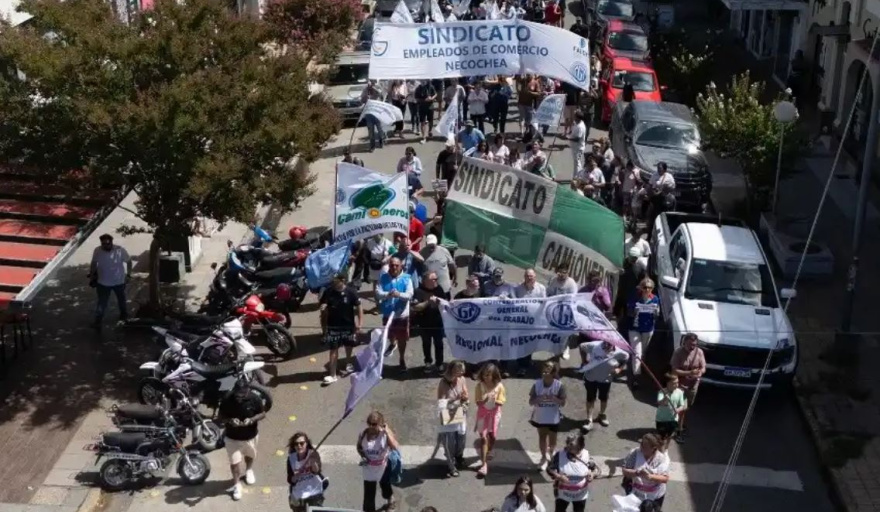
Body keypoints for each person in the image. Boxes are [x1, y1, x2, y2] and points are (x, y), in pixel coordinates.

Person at [219, 381, 267, 501]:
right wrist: (230, 421)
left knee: (250, 456)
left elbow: (262, 414)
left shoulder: (255, 398)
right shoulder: (227, 399)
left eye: (242, 395)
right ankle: (236, 485)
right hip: (232, 437)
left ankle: (249, 470)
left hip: (250, 436)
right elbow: (220, 417)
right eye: (237, 395)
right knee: (235, 463)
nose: (239, 398)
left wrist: (252, 419)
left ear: (247, 392)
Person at [319, 273, 363, 384]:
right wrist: (323, 307)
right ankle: (333, 375)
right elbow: (323, 305)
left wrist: (360, 324)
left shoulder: (351, 292)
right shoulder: (328, 291)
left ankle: (348, 362)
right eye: (332, 281)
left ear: (342, 280)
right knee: (333, 349)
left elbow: (359, 307)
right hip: (333, 326)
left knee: (348, 345)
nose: (333, 283)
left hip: (348, 325)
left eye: (335, 281)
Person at [579, 340, 628, 432]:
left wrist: (619, 369)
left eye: (609, 347)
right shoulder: (593, 345)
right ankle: (589, 420)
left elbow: (626, 358)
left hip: (606, 380)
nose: (606, 348)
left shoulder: (620, 352)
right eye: (604, 345)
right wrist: (584, 361)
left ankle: (602, 415)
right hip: (590, 377)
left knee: (604, 398)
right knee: (590, 398)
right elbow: (581, 346)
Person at [376, 257, 414, 371]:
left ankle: (402, 358)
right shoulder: (383, 278)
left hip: (401, 315)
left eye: (396, 265)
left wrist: (399, 294)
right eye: (392, 265)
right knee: (390, 334)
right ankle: (392, 343)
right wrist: (388, 294)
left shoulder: (407, 279)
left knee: (402, 338)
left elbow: (409, 294)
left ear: (401, 266)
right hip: (388, 313)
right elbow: (378, 293)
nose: (394, 267)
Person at [358, 411, 400, 512]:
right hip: (369, 468)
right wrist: (363, 456)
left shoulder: (384, 435)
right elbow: (359, 447)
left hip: (383, 466)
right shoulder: (363, 434)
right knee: (368, 495)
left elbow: (395, 446)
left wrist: (386, 431)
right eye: (369, 423)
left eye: (374, 424)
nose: (371, 426)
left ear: (380, 423)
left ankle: (390, 500)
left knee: (385, 487)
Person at [89, 233, 132, 328]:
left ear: (111, 242)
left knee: (121, 300)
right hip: (102, 283)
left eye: (108, 244)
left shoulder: (120, 250)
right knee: (101, 303)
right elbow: (93, 263)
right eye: (103, 244)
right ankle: (98, 321)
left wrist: (128, 274)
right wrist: (92, 275)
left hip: (119, 282)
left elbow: (129, 261)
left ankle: (124, 315)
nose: (106, 246)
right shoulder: (97, 250)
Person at [530, 361, 566, 471]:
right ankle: (544, 458)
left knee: (552, 440)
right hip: (540, 417)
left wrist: (553, 398)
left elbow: (563, 403)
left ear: (553, 373)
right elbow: (531, 402)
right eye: (544, 371)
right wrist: (539, 399)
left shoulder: (559, 385)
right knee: (542, 437)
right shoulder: (537, 384)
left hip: (553, 417)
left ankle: (550, 454)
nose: (545, 373)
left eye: (548, 371)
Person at [670, 333, 705, 442]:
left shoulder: (699, 352)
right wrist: (689, 372)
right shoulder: (678, 352)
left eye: (694, 344)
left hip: (693, 386)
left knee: (686, 408)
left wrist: (699, 373)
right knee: (682, 409)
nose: (692, 347)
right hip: (680, 385)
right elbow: (674, 370)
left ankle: (678, 424)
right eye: (690, 344)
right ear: (684, 342)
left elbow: (703, 367)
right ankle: (678, 431)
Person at [413, 270, 450, 372]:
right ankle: (428, 362)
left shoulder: (439, 289)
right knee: (426, 343)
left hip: (438, 323)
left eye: (436, 279)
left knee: (439, 344)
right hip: (424, 324)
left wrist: (440, 302)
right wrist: (428, 302)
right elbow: (416, 307)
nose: (436, 281)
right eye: (433, 279)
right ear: (426, 280)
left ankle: (439, 363)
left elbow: (446, 303)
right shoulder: (418, 291)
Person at [437, 360, 469, 478]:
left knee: (461, 438)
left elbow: (465, 393)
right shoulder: (444, 382)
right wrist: (455, 401)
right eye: (458, 372)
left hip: (460, 411)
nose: (460, 374)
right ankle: (451, 466)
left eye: (462, 372)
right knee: (449, 442)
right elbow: (441, 401)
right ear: (451, 370)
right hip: (448, 412)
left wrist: (464, 397)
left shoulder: (462, 379)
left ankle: (459, 457)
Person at [621, 433, 670, 510]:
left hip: (655, 496)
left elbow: (665, 478)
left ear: (653, 448)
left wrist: (650, 477)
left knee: (648, 507)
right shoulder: (635, 453)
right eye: (641, 444)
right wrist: (637, 473)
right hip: (635, 493)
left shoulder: (661, 459)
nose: (641, 447)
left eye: (644, 446)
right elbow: (624, 471)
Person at [546, 432, 592, 512]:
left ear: (580, 446)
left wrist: (592, 475)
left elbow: (594, 469)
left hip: (580, 495)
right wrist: (559, 477)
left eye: (572, 445)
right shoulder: (560, 455)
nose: (569, 446)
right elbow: (549, 469)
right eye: (568, 443)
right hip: (563, 494)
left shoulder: (586, 454)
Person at [474, 362, 506, 477]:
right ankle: (484, 464)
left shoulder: (499, 386)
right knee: (483, 438)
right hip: (483, 414)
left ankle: (489, 449)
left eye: (488, 375)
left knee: (492, 436)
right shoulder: (479, 386)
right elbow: (478, 402)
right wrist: (484, 400)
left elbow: (501, 401)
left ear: (494, 375)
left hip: (494, 414)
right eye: (484, 375)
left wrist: (496, 401)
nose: (486, 377)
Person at [627, 278, 660, 388]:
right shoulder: (635, 297)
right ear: (641, 288)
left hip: (648, 329)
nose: (647, 289)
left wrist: (656, 312)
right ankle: (636, 377)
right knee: (637, 353)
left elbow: (656, 316)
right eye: (645, 287)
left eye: (649, 287)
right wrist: (634, 311)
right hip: (635, 329)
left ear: (652, 289)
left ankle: (641, 366)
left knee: (643, 352)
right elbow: (629, 313)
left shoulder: (655, 299)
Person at [514, 268, 546, 376]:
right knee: (521, 343)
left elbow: (544, 304)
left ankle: (527, 360)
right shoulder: (518, 288)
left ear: (535, 277)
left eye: (531, 276)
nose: (529, 278)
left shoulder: (541, 288)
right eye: (527, 276)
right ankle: (521, 366)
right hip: (521, 322)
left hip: (534, 322)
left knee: (531, 343)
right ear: (524, 277)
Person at [287, 432, 325, 511]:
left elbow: (317, 471)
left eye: (302, 443)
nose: (299, 446)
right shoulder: (291, 459)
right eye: (296, 444)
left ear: (306, 443)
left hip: (314, 490)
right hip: (299, 493)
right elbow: (290, 480)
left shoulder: (313, 454)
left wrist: (313, 463)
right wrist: (296, 476)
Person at [655, 373, 687, 451]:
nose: (677, 384)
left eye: (677, 382)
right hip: (661, 419)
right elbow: (659, 403)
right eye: (674, 383)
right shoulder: (662, 392)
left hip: (673, 419)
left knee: (669, 436)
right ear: (668, 383)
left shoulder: (679, 392)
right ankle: (659, 449)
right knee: (661, 437)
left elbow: (682, 405)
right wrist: (665, 399)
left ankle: (666, 449)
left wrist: (678, 409)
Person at [361, 81, 385, 151]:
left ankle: (381, 140)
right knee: (371, 132)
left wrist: (373, 88)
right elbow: (362, 100)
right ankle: (372, 146)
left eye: (373, 82)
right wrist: (365, 97)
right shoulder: (365, 89)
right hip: (369, 113)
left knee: (380, 130)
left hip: (377, 113)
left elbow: (380, 94)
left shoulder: (377, 87)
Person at [569, 110, 586, 177]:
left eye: (575, 116)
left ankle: (578, 177)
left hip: (578, 148)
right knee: (576, 162)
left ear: (578, 118)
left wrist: (568, 138)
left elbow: (577, 139)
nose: (574, 117)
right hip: (574, 147)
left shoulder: (581, 127)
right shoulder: (576, 123)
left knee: (577, 163)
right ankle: (577, 176)